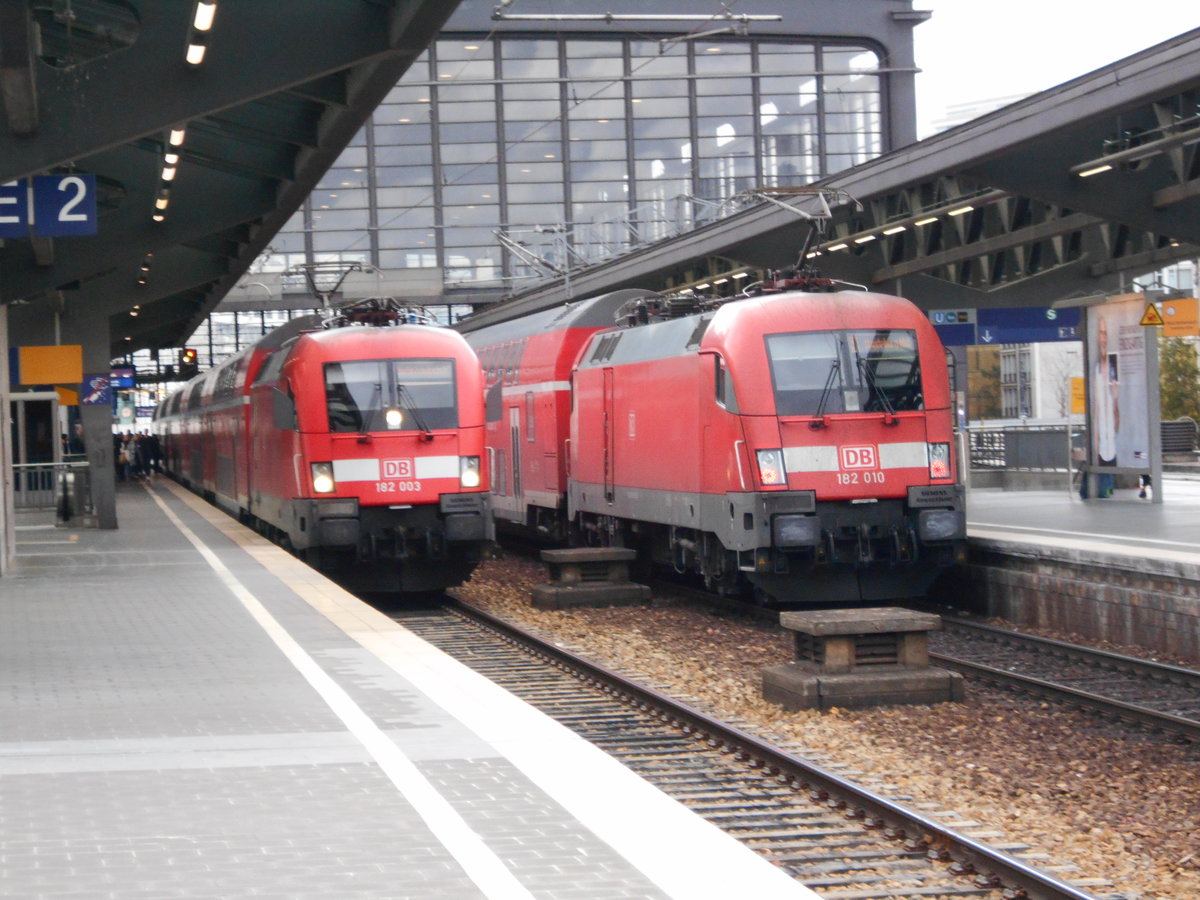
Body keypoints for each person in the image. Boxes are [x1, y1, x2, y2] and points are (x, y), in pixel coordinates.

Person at [1091, 315, 1118, 498]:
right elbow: (1096, 410)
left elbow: (1117, 420)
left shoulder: (1114, 367)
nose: (1103, 338)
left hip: (1112, 439)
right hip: (1102, 440)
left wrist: (1115, 399)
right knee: (1104, 467)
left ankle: (1107, 490)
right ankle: (1104, 490)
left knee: (1109, 465)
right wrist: (1095, 439)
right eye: (1100, 333)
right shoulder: (1095, 369)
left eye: (1105, 333)